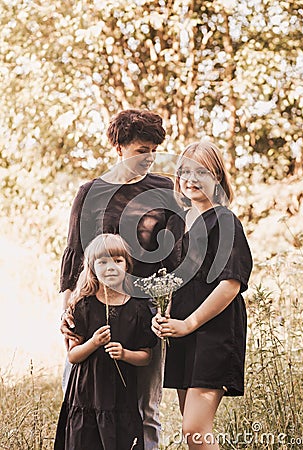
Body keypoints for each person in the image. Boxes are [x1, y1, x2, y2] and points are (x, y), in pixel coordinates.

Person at [59, 109, 179, 450]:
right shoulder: (90, 193)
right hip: (91, 308)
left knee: (146, 406)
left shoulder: (163, 189)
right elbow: (74, 254)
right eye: (142, 150)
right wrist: (67, 311)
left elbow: (172, 258)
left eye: (154, 150)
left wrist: (164, 309)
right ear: (119, 147)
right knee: (80, 399)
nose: (150, 158)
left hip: (142, 312)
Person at [152, 137, 253, 450]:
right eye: (185, 172)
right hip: (184, 334)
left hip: (214, 333)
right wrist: (163, 317)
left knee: (196, 429)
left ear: (218, 178)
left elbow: (230, 284)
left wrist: (189, 324)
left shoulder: (225, 221)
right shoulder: (178, 223)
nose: (191, 179)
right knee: (192, 433)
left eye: (202, 173)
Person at [54, 233, 157, 450]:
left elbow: (146, 356)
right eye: (102, 261)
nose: (110, 267)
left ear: (127, 266)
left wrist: (124, 353)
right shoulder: (84, 306)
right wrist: (93, 342)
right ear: (91, 267)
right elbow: (73, 356)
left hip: (120, 395)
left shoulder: (138, 308)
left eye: (117, 260)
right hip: (86, 394)